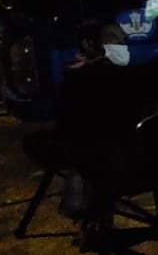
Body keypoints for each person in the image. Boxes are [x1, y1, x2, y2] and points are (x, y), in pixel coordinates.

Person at [56, 22, 143, 234]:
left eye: (123, 39)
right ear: (89, 44)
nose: (122, 45)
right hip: (109, 164)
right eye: (114, 39)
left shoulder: (121, 76)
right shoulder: (80, 80)